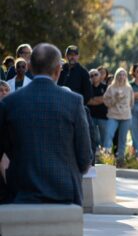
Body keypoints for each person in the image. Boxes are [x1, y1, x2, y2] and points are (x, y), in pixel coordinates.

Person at [0, 43, 92, 205]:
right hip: (65, 192)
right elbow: (85, 157)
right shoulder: (73, 102)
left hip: (21, 190)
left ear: (29, 67)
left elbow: (6, 147)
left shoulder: (10, 102)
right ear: (58, 69)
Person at [103, 68, 134, 162]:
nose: (121, 76)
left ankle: (120, 159)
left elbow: (131, 103)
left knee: (122, 139)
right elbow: (106, 102)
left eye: (123, 74)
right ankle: (105, 157)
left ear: (126, 77)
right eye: (119, 74)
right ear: (116, 76)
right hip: (113, 116)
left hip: (126, 117)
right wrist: (115, 99)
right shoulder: (111, 88)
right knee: (108, 135)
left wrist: (125, 109)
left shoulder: (129, 88)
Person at [87, 69, 109, 147]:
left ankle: (105, 157)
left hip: (104, 117)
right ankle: (96, 157)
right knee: (94, 139)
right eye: (91, 75)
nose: (94, 77)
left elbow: (106, 99)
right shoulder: (87, 88)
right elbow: (88, 101)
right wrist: (101, 99)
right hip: (91, 117)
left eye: (96, 74)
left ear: (100, 76)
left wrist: (94, 99)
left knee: (105, 139)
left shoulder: (106, 87)